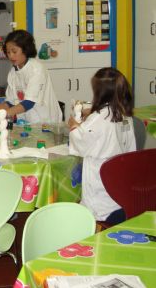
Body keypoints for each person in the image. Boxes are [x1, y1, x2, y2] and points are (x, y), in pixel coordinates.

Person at [68, 67, 136, 224]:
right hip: (119, 182)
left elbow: (81, 141)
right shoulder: (124, 113)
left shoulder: (98, 119)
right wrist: (91, 112)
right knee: (113, 199)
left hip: (99, 184)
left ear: (100, 93)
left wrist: (73, 125)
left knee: (96, 207)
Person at [0, 30, 62, 124]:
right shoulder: (13, 72)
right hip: (28, 122)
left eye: (14, 51)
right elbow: (11, 103)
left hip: (46, 122)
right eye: (8, 52)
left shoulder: (36, 69)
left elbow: (28, 103)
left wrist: (1, 114)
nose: (11, 56)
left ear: (26, 49)